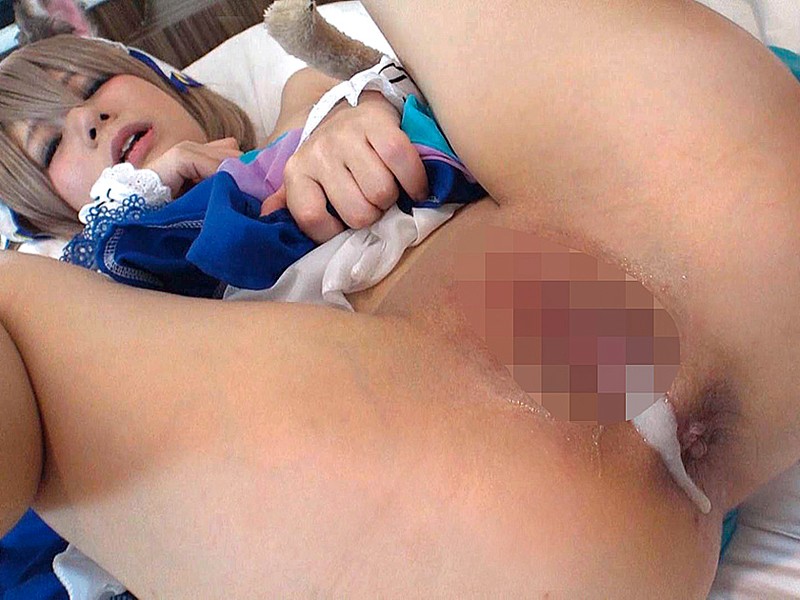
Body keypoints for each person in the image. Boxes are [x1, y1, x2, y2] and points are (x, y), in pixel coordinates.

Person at [2, 0, 799, 596]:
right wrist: (127, 232)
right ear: (39, 210)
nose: (88, 116)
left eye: (94, 84)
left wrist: (348, 109)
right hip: (483, 492)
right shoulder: (81, 285)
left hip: (702, 248)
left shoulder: (309, 96)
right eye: (51, 142)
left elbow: (325, 83)